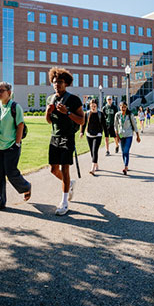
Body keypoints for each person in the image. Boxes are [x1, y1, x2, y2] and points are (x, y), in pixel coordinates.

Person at [0, 82, 31, 212]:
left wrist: (17, 143)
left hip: (11, 145)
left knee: (11, 172)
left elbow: (20, 125)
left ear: (9, 93)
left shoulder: (15, 107)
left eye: (1, 91)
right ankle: (0, 202)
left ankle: (26, 187)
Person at [45, 67, 85, 216]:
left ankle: (64, 202)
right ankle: (70, 183)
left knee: (65, 168)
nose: (57, 85)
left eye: (60, 82)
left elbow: (82, 120)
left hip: (67, 138)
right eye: (54, 82)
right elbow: (49, 121)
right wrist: (48, 112)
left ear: (66, 83)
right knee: (53, 169)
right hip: (54, 137)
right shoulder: (50, 99)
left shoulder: (74, 99)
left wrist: (67, 112)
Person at [80, 98, 108, 175]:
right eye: (92, 106)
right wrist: (81, 132)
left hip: (98, 134)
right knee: (92, 151)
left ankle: (92, 168)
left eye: (94, 106)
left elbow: (104, 125)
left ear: (97, 106)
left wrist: (106, 135)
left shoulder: (100, 114)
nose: (93, 107)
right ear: (90, 105)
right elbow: (83, 124)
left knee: (95, 150)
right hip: (89, 134)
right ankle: (96, 164)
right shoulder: (87, 114)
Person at [114, 101, 140, 175]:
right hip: (121, 135)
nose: (123, 108)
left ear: (127, 107)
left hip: (129, 135)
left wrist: (137, 135)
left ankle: (125, 167)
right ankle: (126, 165)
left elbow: (134, 125)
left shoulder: (130, 114)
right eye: (122, 107)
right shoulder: (117, 115)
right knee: (123, 152)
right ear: (120, 107)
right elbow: (115, 126)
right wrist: (117, 135)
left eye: (125, 107)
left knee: (126, 150)